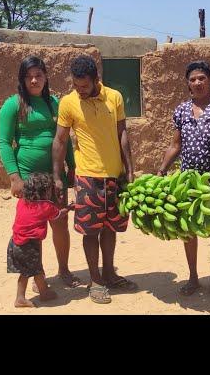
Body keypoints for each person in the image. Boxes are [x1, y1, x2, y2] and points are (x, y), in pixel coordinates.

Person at [52, 54, 137, 304]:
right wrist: (58, 175)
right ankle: (96, 279)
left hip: (114, 175)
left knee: (111, 227)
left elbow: (122, 133)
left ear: (96, 79)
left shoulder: (114, 97)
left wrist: (129, 169)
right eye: (76, 86)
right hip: (88, 176)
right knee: (90, 231)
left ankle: (110, 273)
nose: (80, 91)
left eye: (84, 86)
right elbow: (60, 140)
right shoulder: (68, 103)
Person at [0, 56, 81, 289]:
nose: (34, 80)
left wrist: (72, 167)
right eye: (29, 76)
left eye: (38, 75)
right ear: (22, 80)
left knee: (60, 223)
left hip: (55, 175)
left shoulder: (55, 103)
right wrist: (14, 178)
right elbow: (4, 143)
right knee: (34, 229)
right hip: (29, 178)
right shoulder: (12, 105)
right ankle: (38, 276)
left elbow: (63, 139)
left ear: (45, 77)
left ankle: (64, 270)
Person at [157, 61, 210, 299]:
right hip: (188, 179)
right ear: (187, 83)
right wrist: (161, 171)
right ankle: (193, 277)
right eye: (192, 79)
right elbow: (175, 145)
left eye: (201, 78)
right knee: (188, 229)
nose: (197, 83)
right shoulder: (181, 110)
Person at [7, 172, 73, 308]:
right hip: (29, 245)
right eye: (49, 190)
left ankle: (40, 293)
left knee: (31, 271)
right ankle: (26, 297)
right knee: (32, 272)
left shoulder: (22, 201)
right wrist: (69, 208)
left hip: (15, 242)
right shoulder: (45, 206)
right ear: (44, 192)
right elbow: (58, 215)